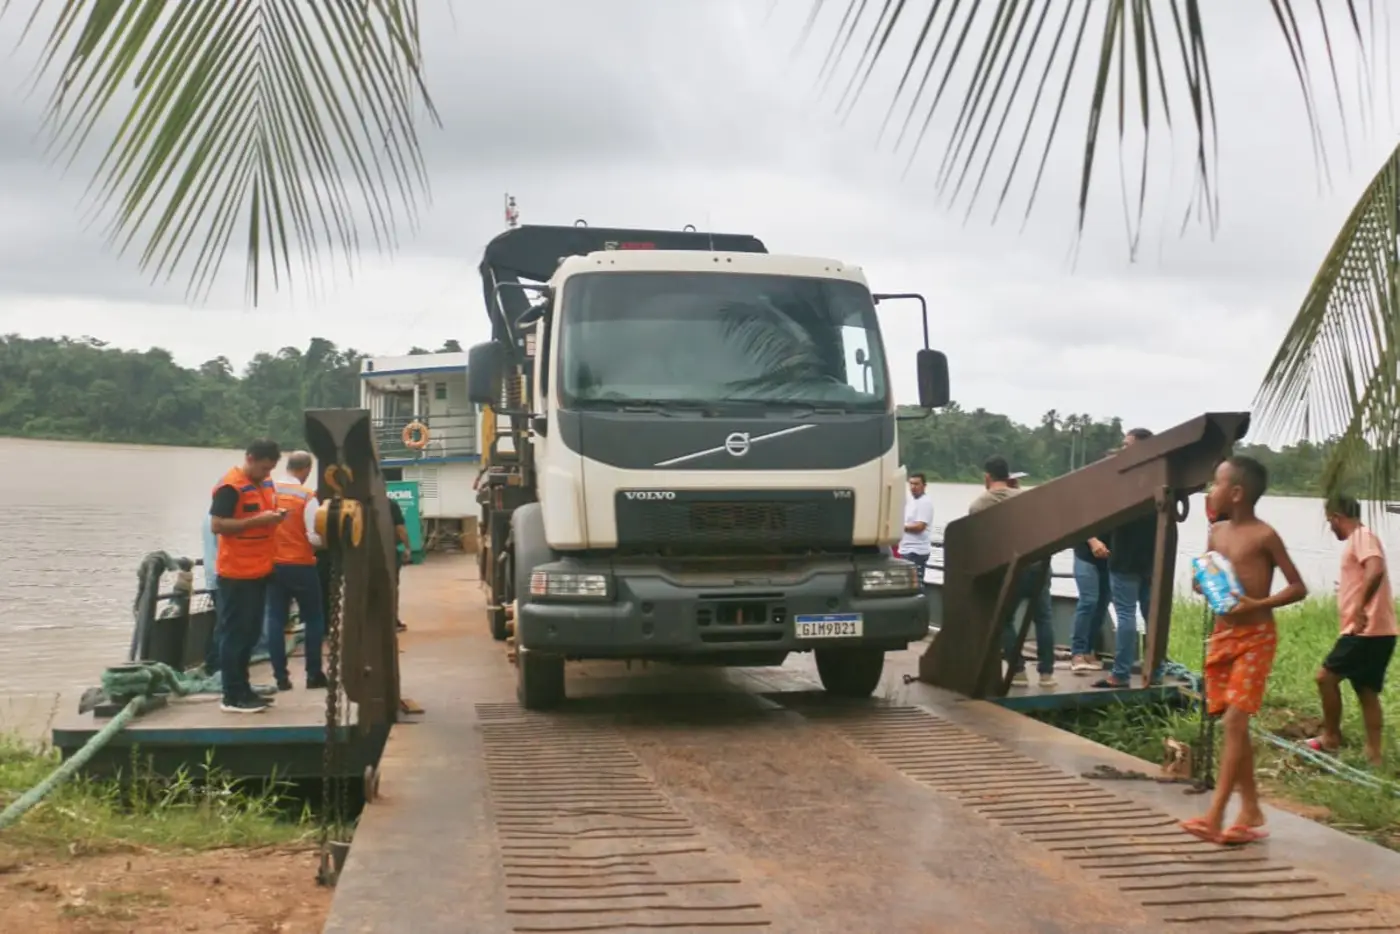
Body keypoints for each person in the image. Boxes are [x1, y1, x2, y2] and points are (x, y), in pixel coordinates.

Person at [1181, 455, 1307, 845]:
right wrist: (1201, 583)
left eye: (1216, 483)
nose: (1211, 489)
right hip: (1224, 637)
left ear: (1236, 493)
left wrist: (1259, 604)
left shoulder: (1264, 536)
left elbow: (1297, 587)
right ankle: (1250, 808)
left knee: (1234, 723)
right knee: (1234, 726)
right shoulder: (1217, 532)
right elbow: (1207, 576)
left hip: (1256, 637)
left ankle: (1215, 815)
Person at [1309, 495, 1395, 765]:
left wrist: (1359, 607)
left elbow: (1375, 568)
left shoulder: (1360, 537)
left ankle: (1331, 737)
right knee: (1366, 690)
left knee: (1325, 678)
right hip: (1382, 630)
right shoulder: (1364, 538)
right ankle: (1374, 755)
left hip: (1365, 630)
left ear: (1336, 517)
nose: (1330, 528)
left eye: (1329, 522)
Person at [210, 439, 285, 714]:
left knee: (251, 633)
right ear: (250, 458)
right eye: (264, 468)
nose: (267, 474)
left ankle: (244, 688)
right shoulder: (231, 487)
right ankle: (231, 695)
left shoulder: (265, 483)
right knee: (235, 635)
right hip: (236, 573)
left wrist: (274, 517)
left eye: (271, 469)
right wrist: (256, 522)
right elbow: (217, 524)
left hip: (260, 570)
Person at [970, 456, 1056, 688]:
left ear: (987, 477)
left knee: (1004, 619)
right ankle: (1047, 674)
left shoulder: (979, 505)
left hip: (1011, 569)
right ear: (1009, 476)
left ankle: (1018, 670)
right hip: (1039, 565)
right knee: (1043, 619)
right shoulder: (1027, 498)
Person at [1093, 428, 1165, 689]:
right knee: (1151, 615)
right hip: (1150, 559)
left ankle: (1121, 674)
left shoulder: (1125, 480)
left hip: (1125, 558)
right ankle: (1156, 671)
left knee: (1125, 615)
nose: (1123, 449)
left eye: (1127, 445)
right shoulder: (1158, 477)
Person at [265, 451, 329, 692]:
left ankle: (281, 678)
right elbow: (314, 537)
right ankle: (313, 674)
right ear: (306, 469)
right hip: (301, 565)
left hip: (273, 565)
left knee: (275, 618)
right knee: (314, 618)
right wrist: (327, 542)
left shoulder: (268, 491)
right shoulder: (306, 496)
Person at [1070, 534, 1110, 673]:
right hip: (1085, 555)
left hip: (1110, 558)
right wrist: (1092, 541)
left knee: (1102, 605)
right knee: (1088, 601)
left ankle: (1088, 651)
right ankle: (1078, 653)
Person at [899, 473, 935, 593]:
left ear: (924, 486)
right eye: (911, 484)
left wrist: (899, 527)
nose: (913, 487)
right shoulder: (911, 501)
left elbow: (920, 527)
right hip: (905, 549)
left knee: (915, 586)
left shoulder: (925, 503)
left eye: (916, 484)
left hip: (916, 551)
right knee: (905, 585)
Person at [390, 497, 410, 632]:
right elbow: (400, 529)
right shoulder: (390, 505)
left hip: (360, 553)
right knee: (391, 587)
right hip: (387, 551)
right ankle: (392, 620)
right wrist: (407, 547)